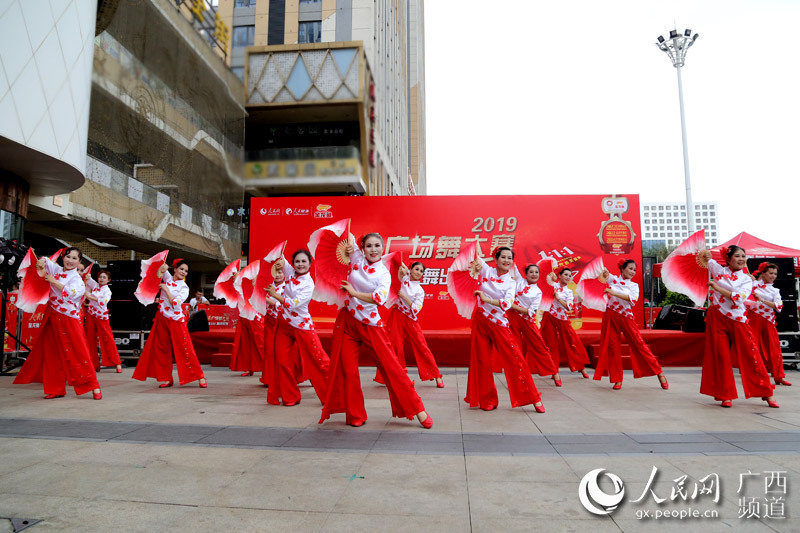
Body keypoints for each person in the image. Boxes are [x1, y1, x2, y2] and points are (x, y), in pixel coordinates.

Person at [319, 233, 433, 428]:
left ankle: (418, 410)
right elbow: (346, 234)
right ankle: (355, 415)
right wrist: (347, 248)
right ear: (362, 248)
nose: (373, 249)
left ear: (383, 248)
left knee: (392, 369)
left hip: (371, 325)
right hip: (348, 323)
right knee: (348, 371)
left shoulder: (383, 273)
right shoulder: (355, 257)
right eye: (369, 246)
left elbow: (378, 299)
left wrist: (354, 293)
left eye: (377, 245)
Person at [13, 247, 103, 400]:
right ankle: (56, 388)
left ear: (79, 262)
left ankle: (93, 385)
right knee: (51, 353)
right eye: (68, 256)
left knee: (79, 353)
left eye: (74, 258)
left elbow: (73, 294)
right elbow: (44, 260)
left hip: (69, 318)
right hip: (52, 316)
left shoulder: (76, 279)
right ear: (63, 258)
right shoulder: (55, 268)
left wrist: (54, 282)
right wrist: (41, 261)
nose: (70, 260)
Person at [464, 247, 545, 412]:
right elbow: (473, 256)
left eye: (510, 258)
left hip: (499, 323)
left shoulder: (511, 282)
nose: (506, 261)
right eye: (503, 257)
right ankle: (487, 399)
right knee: (482, 361)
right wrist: (475, 262)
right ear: (496, 258)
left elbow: (507, 303)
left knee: (516, 359)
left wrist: (488, 299)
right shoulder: (486, 271)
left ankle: (533, 398)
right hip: (481, 320)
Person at [700, 246, 778, 408]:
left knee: (751, 354)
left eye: (744, 256)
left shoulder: (746, 279)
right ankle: (725, 394)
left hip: (738, 318)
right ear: (728, 259)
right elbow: (706, 257)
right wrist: (705, 254)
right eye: (737, 256)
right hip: (718, 317)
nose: (742, 259)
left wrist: (716, 287)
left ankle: (766, 392)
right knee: (721, 356)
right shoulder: (718, 269)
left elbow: (738, 298)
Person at [592, 259, 668, 390]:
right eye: (630, 268)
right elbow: (601, 272)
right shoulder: (613, 279)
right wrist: (602, 271)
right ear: (622, 268)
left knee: (639, 345)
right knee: (613, 347)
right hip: (610, 315)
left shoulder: (633, 286)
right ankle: (617, 379)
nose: (632, 272)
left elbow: (632, 299)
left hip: (626, 317)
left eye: (634, 269)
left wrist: (613, 292)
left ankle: (659, 373)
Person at [266, 250, 330, 406]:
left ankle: (331, 393)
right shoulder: (290, 272)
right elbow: (281, 261)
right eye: (297, 262)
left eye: (304, 262)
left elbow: (293, 304)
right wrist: (280, 261)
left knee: (318, 359)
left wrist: (275, 295)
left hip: (302, 325)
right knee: (282, 361)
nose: (300, 265)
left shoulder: (308, 284)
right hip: (283, 324)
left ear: (309, 263)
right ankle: (290, 396)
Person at [132, 258, 208, 388]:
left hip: (176, 320)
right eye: (181, 269)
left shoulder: (184, 287)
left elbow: (175, 304)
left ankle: (199, 376)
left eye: (186, 271)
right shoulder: (167, 278)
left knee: (184, 347)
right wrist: (162, 265)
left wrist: (166, 290)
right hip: (162, 317)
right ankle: (166, 378)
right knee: (161, 348)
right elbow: (161, 268)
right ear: (175, 269)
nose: (183, 272)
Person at [374, 262, 444, 387]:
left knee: (422, 346)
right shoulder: (404, 278)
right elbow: (400, 265)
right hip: (397, 315)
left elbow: (416, 309)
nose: (418, 272)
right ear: (411, 269)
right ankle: (398, 376)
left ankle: (437, 376)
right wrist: (399, 263)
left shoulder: (420, 290)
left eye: (421, 271)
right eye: (416, 269)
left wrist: (405, 297)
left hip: (410, 319)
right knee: (394, 345)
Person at [508, 264, 561, 386]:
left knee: (540, 345)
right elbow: (513, 265)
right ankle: (518, 375)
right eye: (531, 272)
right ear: (526, 274)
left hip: (527, 320)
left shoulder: (538, 292)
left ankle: (554, 372)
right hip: (513, 318)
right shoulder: (520, 281)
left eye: (536, 272)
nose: (533, 274)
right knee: (514, 347)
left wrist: (513, 306)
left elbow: (531, 312)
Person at [540, 267, 590, 380]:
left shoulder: (569, 292)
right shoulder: (553, 286)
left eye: (569, 275)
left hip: (562, 318)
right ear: (560, 276)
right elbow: (545, 281)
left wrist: (558, 298)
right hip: (549, 317)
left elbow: (569, 307)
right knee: (551, 344)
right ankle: (554, 371)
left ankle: (581, 367)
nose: (568, 277)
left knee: (572, 342)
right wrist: (550, 276)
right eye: (565, 275)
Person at [749, 262, 791, 386]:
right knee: (753, 346)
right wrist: (748, 280)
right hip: (753, 318)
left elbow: (778, 307)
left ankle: (779, 376)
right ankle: (755, 374)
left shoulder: (775, 291)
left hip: (768, 319)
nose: (773, 276)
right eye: (770, 273)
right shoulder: (752, 285)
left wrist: (762, 300)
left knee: (774, 348)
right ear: (763, 273)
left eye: (775, 274)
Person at [84, 269, 123, 373]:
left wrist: (90, 296)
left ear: (108, 280)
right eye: (100, 277)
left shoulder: (107, 290)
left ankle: (117, 363)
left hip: (101, 316)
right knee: (89, 338)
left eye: (104, 277)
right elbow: (87, 277)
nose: (101, 279)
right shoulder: (95, 285)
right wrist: (86, 275)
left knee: (107, 338)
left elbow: (103, 301)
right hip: (91, 315)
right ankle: (93, 364)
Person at [228, 273, 265, 377]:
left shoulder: (255, 289)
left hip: (253, 317)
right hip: (243, 318)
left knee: (260, 343)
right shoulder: (238, 289)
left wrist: (255, 281)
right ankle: (249, 367)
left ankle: (267, 367)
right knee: (245, 344)